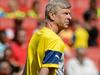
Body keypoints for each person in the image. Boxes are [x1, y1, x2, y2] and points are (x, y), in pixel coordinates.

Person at [23, 0, 71, 75]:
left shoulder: (36, 35)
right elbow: (45, 71)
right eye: (65, 13)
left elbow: (26, 70)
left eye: (69, 14)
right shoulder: (54, 40)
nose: (69, 17)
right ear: (52, 15)